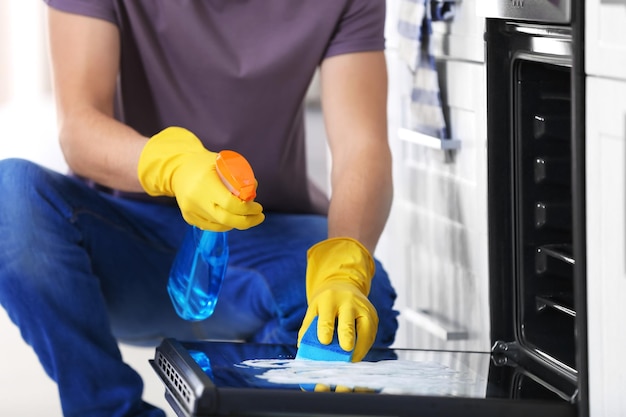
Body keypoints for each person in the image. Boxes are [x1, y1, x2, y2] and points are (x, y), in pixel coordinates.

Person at [0, 1, 399, 416]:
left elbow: (361, 147)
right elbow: (79, 126)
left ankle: (238, 407)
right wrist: (171, 167)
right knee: (9, 194)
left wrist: (343, 269)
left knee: (358, 310)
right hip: (121, 244)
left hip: (260, 241)